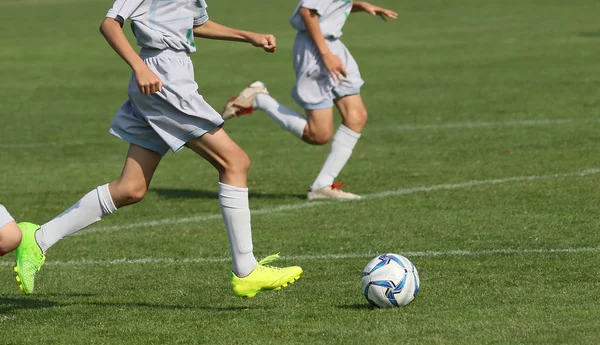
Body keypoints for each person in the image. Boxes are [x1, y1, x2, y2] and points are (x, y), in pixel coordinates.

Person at [13, 0, 303, 297]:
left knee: (130, 188)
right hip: (162, 79)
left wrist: (248, 36)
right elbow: (110, 24)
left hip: (171, 75)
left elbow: (194, 25)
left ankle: (38, 238)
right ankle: (246, 269)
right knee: (235, 162)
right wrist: (139, 67)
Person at [221, 1, 397, 200]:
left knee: (356, 117)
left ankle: (322, 186)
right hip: (317, 51)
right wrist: (326, 54)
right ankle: (260, 99)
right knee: (319, 135)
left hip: (333, 46)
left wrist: (360, 5)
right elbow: (308, 11)